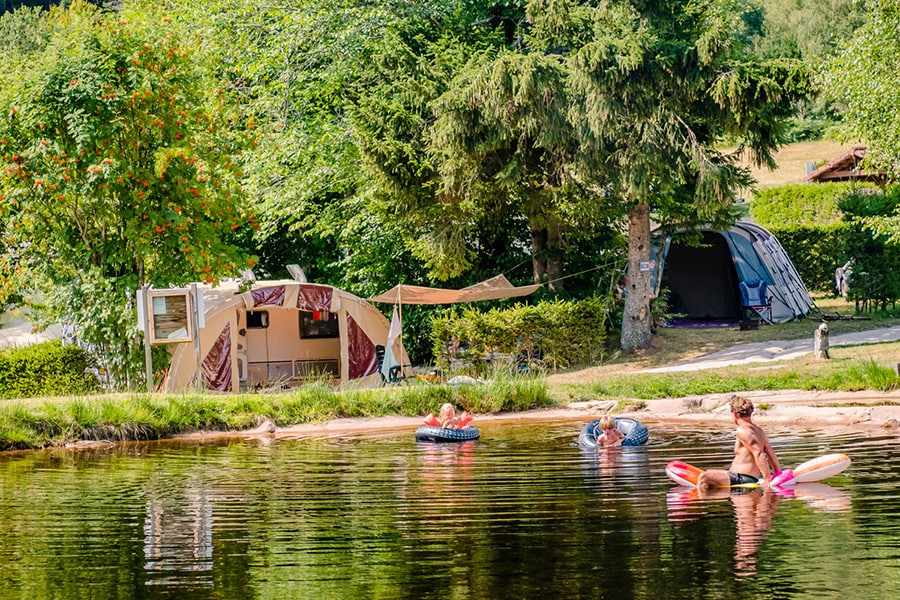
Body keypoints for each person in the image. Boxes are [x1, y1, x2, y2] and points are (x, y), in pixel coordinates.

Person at [696, 395, 781, 491]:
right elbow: (770, 453)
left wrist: (767, 479)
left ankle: (696, 502)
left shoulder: (743, 431)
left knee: (704, 477)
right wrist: (779, 474)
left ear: (735, 414)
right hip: (743, 477)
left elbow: (759, 453)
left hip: (741, 478)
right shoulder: (759, 431)